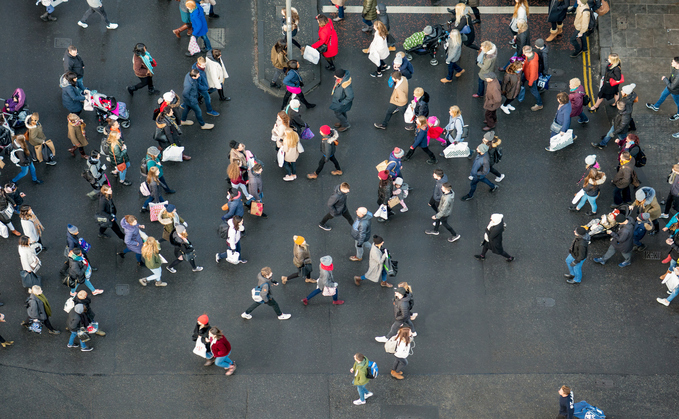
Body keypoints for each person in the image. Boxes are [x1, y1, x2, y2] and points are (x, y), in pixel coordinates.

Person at [519, 46, 543, 111]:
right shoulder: (533, 54)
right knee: (521, 81)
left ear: (526, 52)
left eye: (523, 52)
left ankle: (539, 104)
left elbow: (533, 74)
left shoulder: (533, 63)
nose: (523, 53)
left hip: (530, 78)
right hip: (526, 74)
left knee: (534, 91)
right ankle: (520, 88)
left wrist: (530, 83)